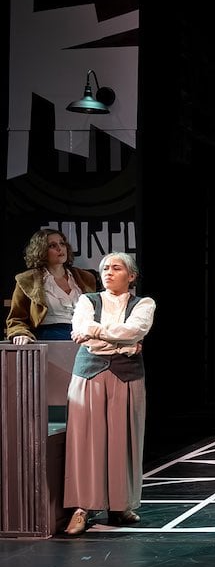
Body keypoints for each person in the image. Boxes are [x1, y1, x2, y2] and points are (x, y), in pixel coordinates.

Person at [63, 252, 155, 535]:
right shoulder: (86, 300)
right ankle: (82, 507)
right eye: (105, 268)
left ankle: (121, 504)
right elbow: (81, 330)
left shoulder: (144, 303)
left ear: (132, 275)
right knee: (85, 442)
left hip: (127, 377)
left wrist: (97, 334)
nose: (109, 272)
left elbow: (134, 330)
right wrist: (125, 345)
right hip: (88, 375)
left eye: (116, 268)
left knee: (123, 440)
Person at [6, 228, 99, 344]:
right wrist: (20, 333)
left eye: (62, 243)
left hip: (84, 333)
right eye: (52, 246)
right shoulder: (28, 280)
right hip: (50, 334)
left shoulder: (85, 277)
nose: (60, 248)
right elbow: (16, 318)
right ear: (41, 251)